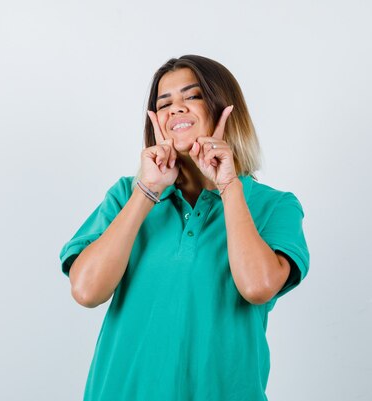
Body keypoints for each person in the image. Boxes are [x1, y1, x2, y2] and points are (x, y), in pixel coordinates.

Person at [59, 54, 310, 401]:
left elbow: (257, 287)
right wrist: (147, 192)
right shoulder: (125, 196)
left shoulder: (274, 206)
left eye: (191, 96)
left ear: (224, 108)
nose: (176, 109)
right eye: (165, 103)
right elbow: (86, 291)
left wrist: (228, 185)